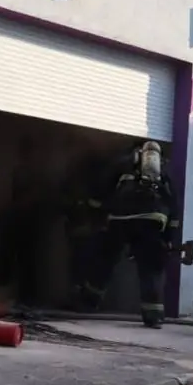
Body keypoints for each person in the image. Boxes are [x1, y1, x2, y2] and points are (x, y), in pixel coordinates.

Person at [79, 140, 180, 328]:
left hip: (120, 219)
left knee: (105, 260)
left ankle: (88, 303)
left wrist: (94, 212)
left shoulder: (123, 163)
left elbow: (102, 188)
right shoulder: (164, 173)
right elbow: (173, 208)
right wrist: (168, 239)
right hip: (152, 221)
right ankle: (153, 316)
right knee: (150, 269)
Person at [0, 136, 48, 308]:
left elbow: (34, 196)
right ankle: (9, 296)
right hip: (19, 220)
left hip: (30, 222)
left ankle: (27, 299)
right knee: (13, 259)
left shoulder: (37, 173)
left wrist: (15, 208)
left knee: (27, 262)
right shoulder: (21, 171)